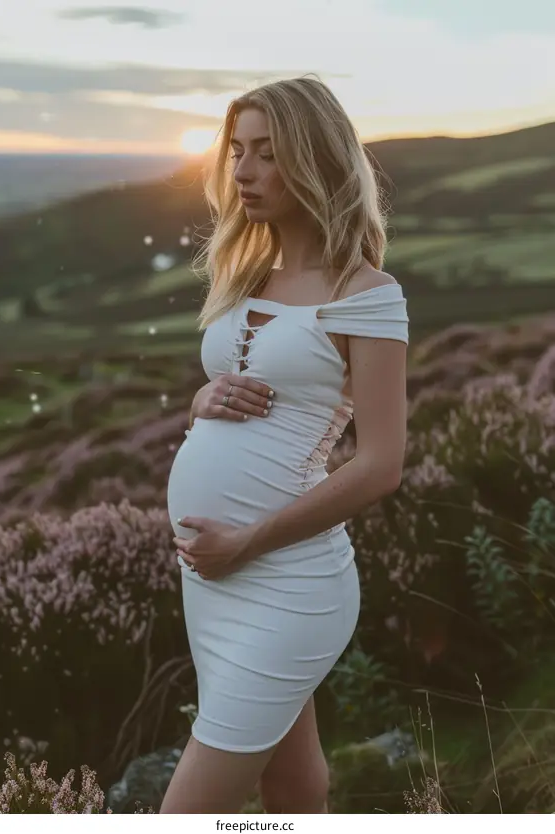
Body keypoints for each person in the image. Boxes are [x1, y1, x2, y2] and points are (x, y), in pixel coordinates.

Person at [163, 75, 409, 814]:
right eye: (237, 151)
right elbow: (242, 400)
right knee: (292, 787)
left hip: (288, 582)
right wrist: (201, 403)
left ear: (314, 158)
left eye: (266, 153)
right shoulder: (246, 279)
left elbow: (380, 465)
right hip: (211, 582)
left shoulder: (367, 293)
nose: (242, 172)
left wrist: (249, 539)